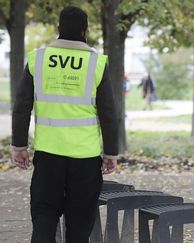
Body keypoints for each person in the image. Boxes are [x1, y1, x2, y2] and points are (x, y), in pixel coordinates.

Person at [11, 6, 118, 243]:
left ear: (58, 29)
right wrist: (111, 152)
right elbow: (109, 112)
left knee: (44, 216)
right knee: (79, 223)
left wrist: (19, 146)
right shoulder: (96, 63)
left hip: (48, 155)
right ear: (85, 30)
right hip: (86, 158)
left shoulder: (38, 59)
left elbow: (21, 106)